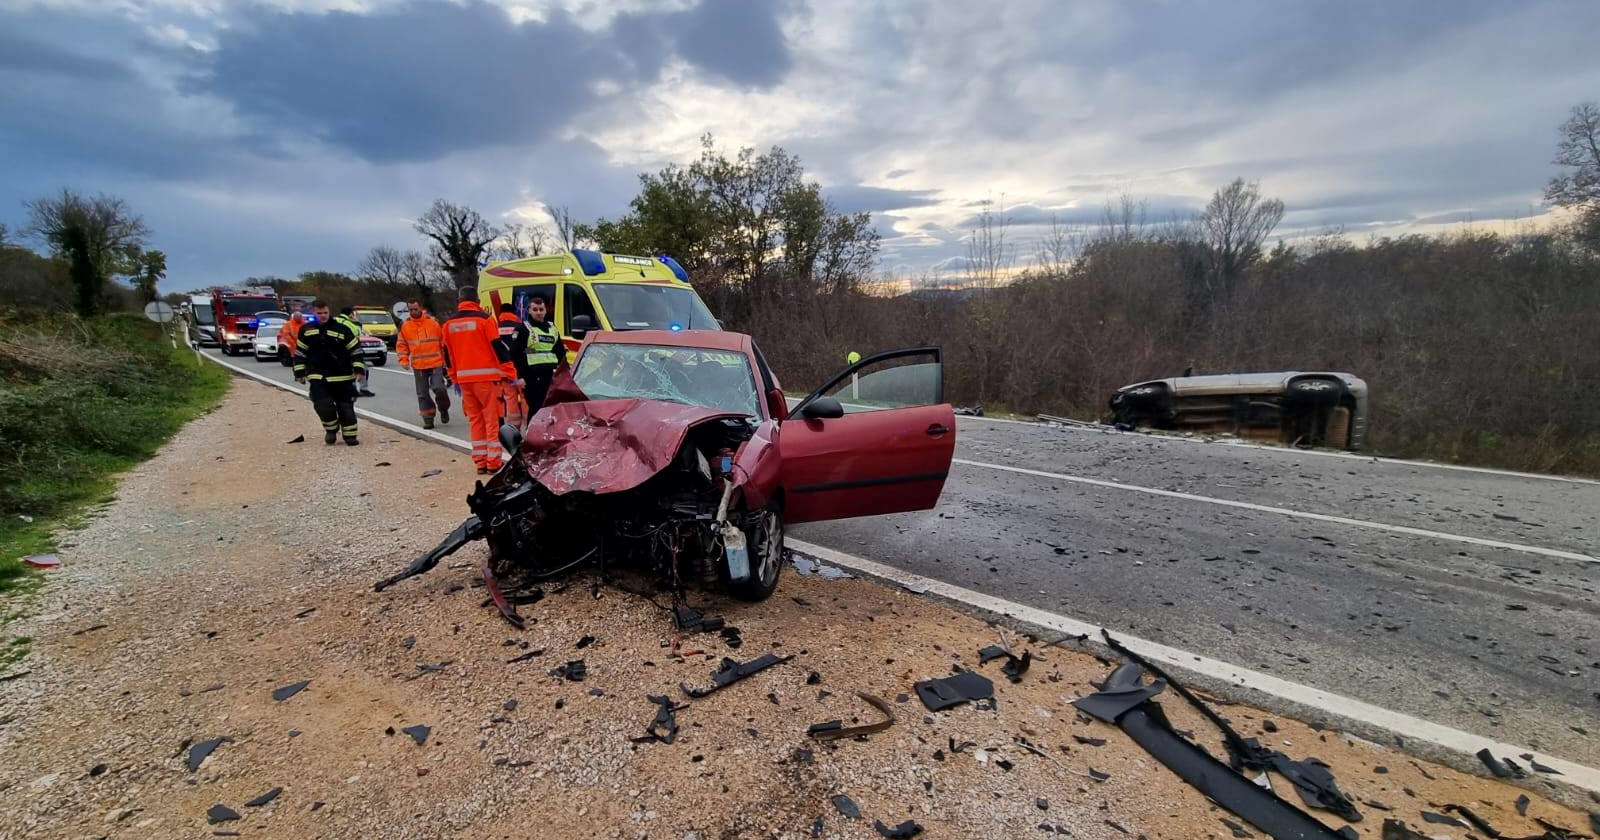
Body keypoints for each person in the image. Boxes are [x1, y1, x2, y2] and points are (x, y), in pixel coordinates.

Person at [441, 287, 516, 473]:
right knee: (492, 421)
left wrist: (454, 377)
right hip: (488, 380)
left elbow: (447, 355)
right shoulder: (485, 320)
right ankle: (493, 463)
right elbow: (499, 348)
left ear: (459, 300)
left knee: (475, 421)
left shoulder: (448, 325)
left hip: (465, 381)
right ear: (477, 301)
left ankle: (480, 462)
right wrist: (511, 374)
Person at [293, 299, 366, 446]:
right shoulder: (306, 330)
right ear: (314, 313)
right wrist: (299, 372)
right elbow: (300, 353)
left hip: (342, 375)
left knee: (346, 408)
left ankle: (350, 435)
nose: (323, 316)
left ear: (329, 311)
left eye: (325, 312)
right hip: (318, 376)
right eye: (319, 313)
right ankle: (331, 430)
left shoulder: (342, 329)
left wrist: (359, 369)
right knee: (322, 405)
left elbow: (356, 350)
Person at [397, 299, 451, 429]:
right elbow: (402, 345)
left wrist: (446, 362)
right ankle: (428, 418)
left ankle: (443, 408)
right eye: (410, 310)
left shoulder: (433, 323)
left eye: (415, 309)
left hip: (435, 363)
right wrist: (403, 360)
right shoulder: (406, 326)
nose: (413, 312)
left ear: (421, 308)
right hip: (418, 365)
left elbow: (443, 342)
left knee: (439, 388)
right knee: (422, 393)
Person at [520, 294, 567, 416]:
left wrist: (564, 372)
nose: (538, 312)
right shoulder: (524, 329)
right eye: (535, 310)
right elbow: (517, 355)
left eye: (541, 309)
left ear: (546, 310)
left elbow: (560, 351)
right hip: (531, 376)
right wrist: (521, 376)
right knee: (536, 408)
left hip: (549, 374)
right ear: (529, 311)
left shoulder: (552, 328)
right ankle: (532, 433)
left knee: (549, 408)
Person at [495, 303, 529, 431]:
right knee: (525, 398)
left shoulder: (495, 328)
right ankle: (529, 425)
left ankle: (513, 428)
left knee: (510, 400)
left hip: (504, 371)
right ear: (514, 313)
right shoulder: (521, 327)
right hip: (520, 370)